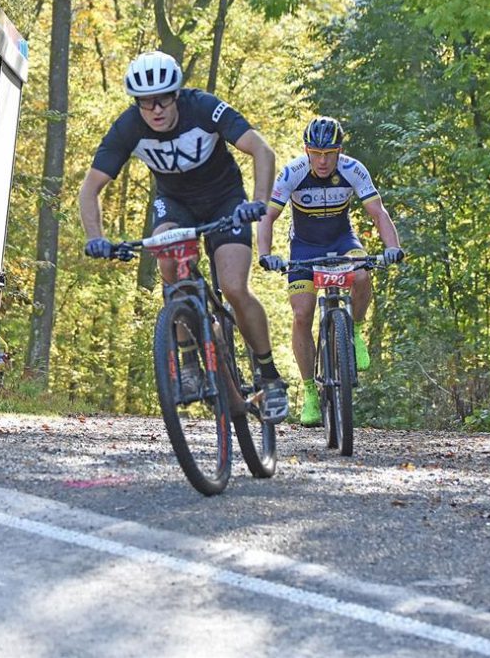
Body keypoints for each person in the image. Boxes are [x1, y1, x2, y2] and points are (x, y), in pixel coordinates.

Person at [79, 50, 289, 422]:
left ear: (177, 94)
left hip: (226, 201)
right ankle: (188, 356)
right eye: (146, 102)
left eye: (163, 99)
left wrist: (258, 203)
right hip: (175, 204)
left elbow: (262, 150)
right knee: (168, 261)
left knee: (234, 287)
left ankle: (269, 376)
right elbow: (89, 189)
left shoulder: (203, 108)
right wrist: (96, 236)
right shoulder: (128, 127)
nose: (156, 109)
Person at [257, 116, 403, 427]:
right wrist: (266, 255)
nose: (322, 161)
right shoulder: (292, 173)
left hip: (342, 241)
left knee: (362, 273)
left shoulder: (353, 169)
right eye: (316, 153)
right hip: (305, 247)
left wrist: (393, 246)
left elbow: (377, 212)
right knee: (301, 313)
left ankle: (355, 331)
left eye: (329, 153)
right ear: (307, 150)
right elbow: (268, 217)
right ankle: (311, 392)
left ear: (339, 151)